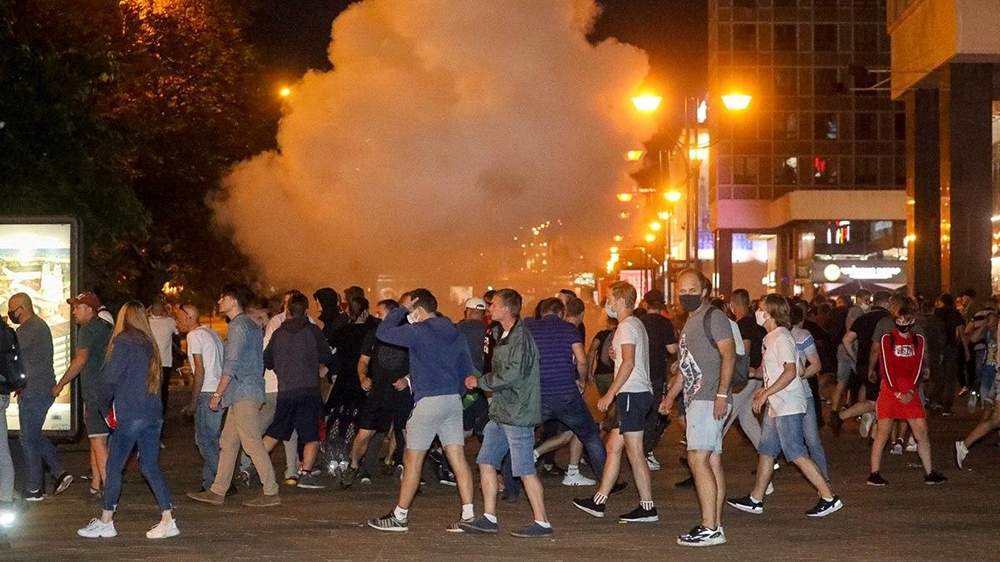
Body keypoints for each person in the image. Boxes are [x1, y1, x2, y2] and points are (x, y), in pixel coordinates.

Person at [367, 288, 476, 532]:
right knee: (457, 457)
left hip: (428, 400)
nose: (408, 316)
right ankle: (468, 515)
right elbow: (467, 368)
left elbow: (383, 332)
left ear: (418, 309)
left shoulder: (419, 331)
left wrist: (402, 309)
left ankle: (400, 516)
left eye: (410, 310)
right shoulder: (455, 331)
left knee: (412, 459)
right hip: (451, 400)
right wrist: (455, 392)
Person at [726, 294, 842, 518]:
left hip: (787, 403)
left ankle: (829, 497)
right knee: (767, 450)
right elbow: (772, 370)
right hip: (777, 403)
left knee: (796, 452)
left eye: (760, 308)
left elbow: (791, 371)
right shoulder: (771, 338)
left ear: (770, 312)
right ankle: (756, 498)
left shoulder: (781, 337)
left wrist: (765, 393)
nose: (757, 312)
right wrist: (754, 376)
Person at [77, 301, 178, 539]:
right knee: (150, 466)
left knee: (113, 467)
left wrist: (102, 409)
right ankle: (167, 519)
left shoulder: (123, 342)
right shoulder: (149, 343)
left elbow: (108, 380)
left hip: (130, 413)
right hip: (153, 413)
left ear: (123, 317)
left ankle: (106, 521)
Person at [460, 288, 553, 538]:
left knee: (524, 469)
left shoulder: (520, 338)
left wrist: (480, 382)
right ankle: (489, 517)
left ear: (506, 309)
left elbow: (513, 375)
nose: (489, 309)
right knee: (486, 461)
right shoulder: (505, 333)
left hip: (518, 413)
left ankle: (542, 522)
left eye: (494, 305)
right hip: (502, 411)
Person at [187, 283, 280, 508]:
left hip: (243, 392)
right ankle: (218, 490)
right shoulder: (249, 325)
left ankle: (271, 491)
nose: (219, 302)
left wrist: (217, 393)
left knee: (251, 443)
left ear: (233, 301)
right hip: (246, 391)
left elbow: (232, 363)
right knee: (228, 442)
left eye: (223, 298)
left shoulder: (239, 326)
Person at [573, 281, 658, 524]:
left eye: (610, 298)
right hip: (635, 394)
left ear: (621, 301)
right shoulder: (634, 325)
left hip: (632, 394)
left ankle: (647, 507)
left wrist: (610, 394)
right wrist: (616, 356)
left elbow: (630, 363)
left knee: (635, 452)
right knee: (613, 447)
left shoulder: (626, 327)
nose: (607, 303)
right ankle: (599, 501)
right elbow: (629, 358)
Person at [662, 269, 734, 547]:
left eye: (692, 290)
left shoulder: (713, 317)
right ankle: (714, 523)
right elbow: (685, 367)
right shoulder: (690, 322)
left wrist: (722, 394)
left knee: (697, 459)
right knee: (711, 460)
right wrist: (671, 397)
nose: (686, 295)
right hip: (695, 399)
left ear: (705, 291)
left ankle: (710, 527)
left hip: (708, 398)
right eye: (682, 290)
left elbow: (728, 355)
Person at [526, 298, 606, 487]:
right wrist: (582, 380)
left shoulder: (530, 329)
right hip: (566, 393)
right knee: (590, 436)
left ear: (542, 311)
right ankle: (607, 481)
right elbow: (581, 361)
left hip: (540, 395)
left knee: (521, 432)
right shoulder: (569, 329)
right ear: (562, 313)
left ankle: (511, 483)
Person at [867, 301, 946, 485]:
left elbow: (919, 365)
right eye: (899, 319)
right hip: (890, 389)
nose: (902, 322)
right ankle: (874, 473)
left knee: (921, 432)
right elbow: (885, 366)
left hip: (910, 389)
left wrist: (910, 390)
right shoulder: (888, 339)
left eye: (906, 319)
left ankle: (929, 472)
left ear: (912, 320)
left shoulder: (918, 340)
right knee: (883, 433)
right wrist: (896, 392)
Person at [262, 293, 334, 489]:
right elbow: (327, 355)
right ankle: (305, 474)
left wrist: (282, 367)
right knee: (312, 435)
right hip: (309, 391)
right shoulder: (312, 331)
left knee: (276, 431)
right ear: (306, 310)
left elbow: (267, 361)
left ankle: (259, 466)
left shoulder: (278, 333)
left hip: (285, 391)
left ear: (287, 311)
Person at [6, 293, 72, 501]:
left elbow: (12, 352)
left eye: (12, 310)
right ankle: (57, 474)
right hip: (40, 388)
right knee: (32, 436)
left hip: (34, 391)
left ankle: (37, 486)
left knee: (28, 438)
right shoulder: (40, 325)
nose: (10, 315)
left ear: (22, 308)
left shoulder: (27, 330)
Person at [342, 298, 412, 487]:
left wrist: (406, 379)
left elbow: (421, 362)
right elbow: (363, 361)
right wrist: (362, 377)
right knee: (364, 433)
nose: (377, 317)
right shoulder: (374, 335)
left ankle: (410, 473)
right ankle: (353, 466)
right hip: (378, 392)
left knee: (408, 435)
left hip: (401, 394)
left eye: (380, 314)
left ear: (392, 314)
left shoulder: (408, 335)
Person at [53, 292, 112, 500]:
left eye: (77, 307)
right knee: (97, 439)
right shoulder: (106, 328)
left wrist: (60, 384)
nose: (73, 312)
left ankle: (109, 491)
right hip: (108, 392)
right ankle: (96, 485)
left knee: (99, 443)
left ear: (88, 309)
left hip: (94, 394)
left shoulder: (86, 331)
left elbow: (81, 360)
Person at [175, 304, 225, 494]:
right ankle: (210, 482)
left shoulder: (193, 336)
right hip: (218, 391)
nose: (177, 322)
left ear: (189, 317)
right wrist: (192, 370)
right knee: (211, 439)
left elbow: (201, 370)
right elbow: (210, 364)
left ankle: (220, 482)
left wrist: (193, 403)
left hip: (206, 393)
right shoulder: (211, 333)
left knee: (205, 440)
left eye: (179, 318)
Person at [639, 289, 678, 470]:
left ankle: (637, 449)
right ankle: (646, 451)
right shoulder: (665, 323)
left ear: (645, 303)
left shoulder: (638, 322)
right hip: (656, 374)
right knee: (654, 414)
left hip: (638, 374)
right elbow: (671, 349)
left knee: (638, 413)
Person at [147, 301, 177, 415]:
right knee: (163, 389)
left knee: (151, 388)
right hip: (165, 362)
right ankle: (162, 411)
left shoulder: (147, 322)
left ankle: (152, 410)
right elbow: (177, 331)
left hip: (150, 361)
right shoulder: (170, 322)